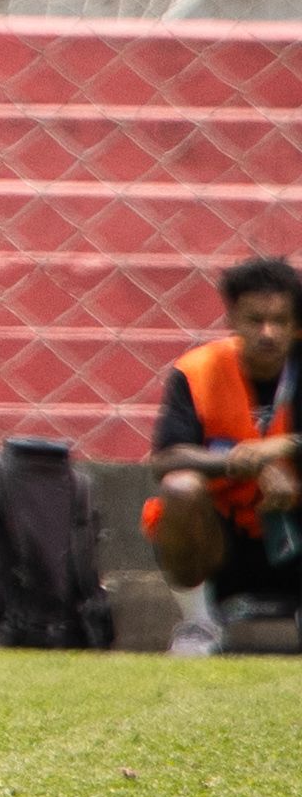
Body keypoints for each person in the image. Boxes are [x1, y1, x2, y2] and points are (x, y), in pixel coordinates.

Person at [141, 258, 302, 655]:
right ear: (232, 318)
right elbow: (166, 458)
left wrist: (283, 448)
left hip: (294, 531)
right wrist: (242, 461)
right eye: (255, 320)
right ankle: (199, 622)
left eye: (281, 320)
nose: (269, 333)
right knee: (179, 489)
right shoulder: (198, 371)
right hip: (224, 540)